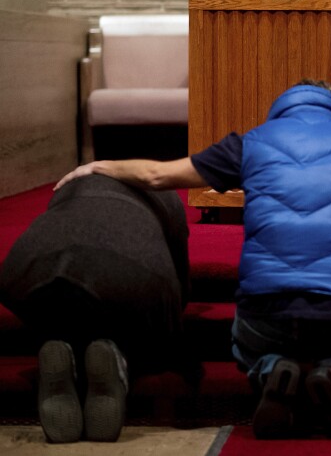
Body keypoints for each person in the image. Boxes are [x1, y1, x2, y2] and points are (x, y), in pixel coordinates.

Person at [53, 79, 331, 439]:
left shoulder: (252, 141)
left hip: (266, 309)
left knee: (241, 334)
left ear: (281, 107)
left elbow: (158, 175)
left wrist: (100, 166)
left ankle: (270, 369)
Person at [0, 174, 190, 443]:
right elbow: (181, 285)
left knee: (63, 295)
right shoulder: (163, 190)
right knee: (138, 310)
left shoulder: (71, 180)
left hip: (27, 266)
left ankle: (59, 342)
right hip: (129, 271)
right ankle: (117, 356)